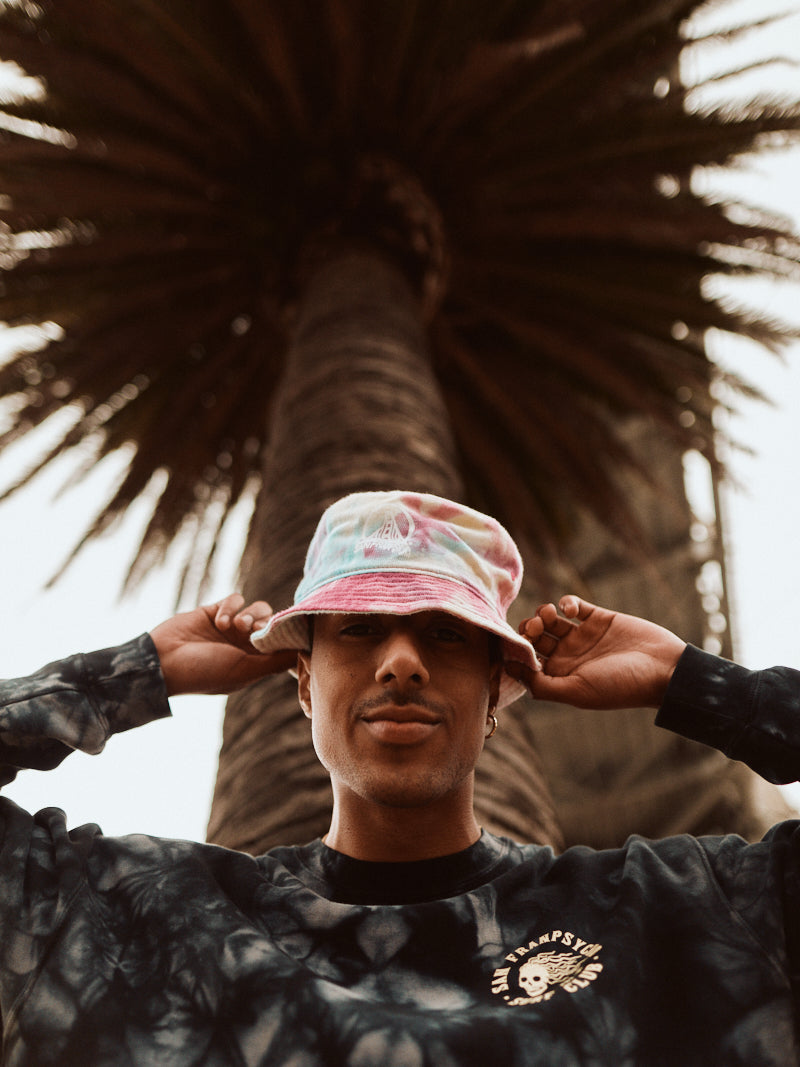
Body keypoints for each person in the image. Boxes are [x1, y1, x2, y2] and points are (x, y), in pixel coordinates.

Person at [0, 489, 798, 1066]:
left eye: (447, 635)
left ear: (496, 691)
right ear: (304, 680)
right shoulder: (136, 919)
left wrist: (697, 683)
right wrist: (128, 674)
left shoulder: (684, 910)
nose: (403, 662)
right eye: (360, 628)